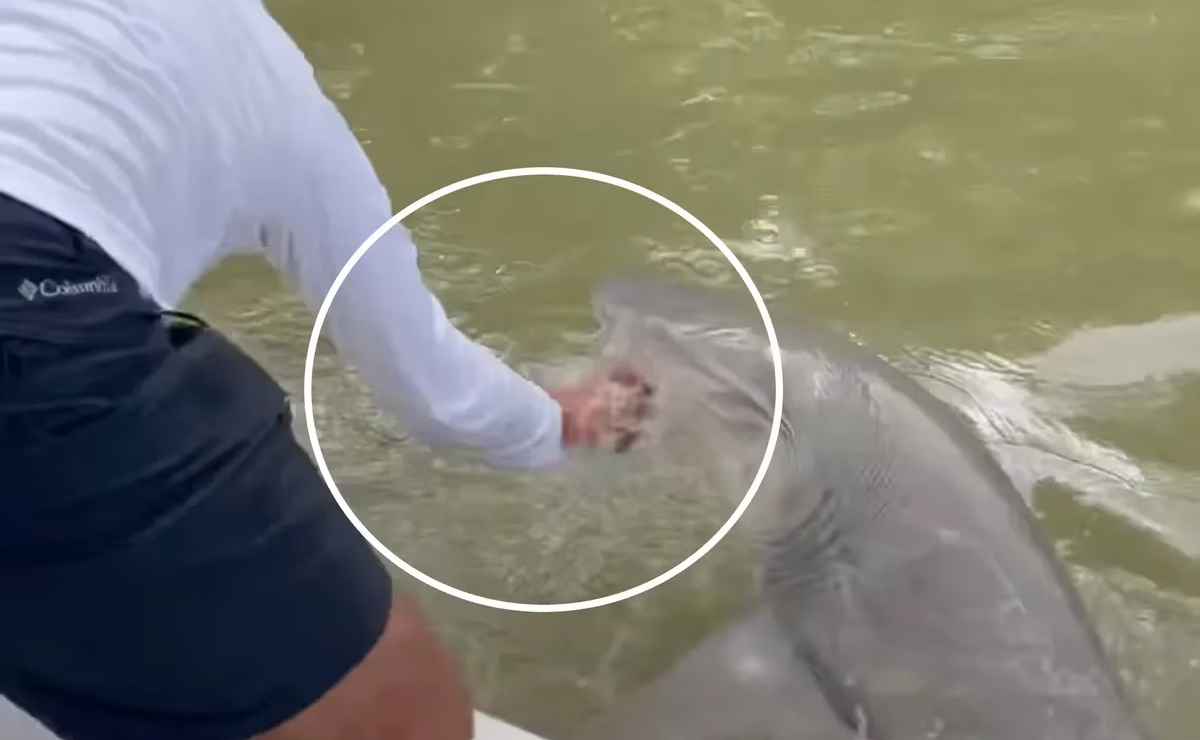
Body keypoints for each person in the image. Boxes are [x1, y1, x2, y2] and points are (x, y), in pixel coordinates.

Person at [0, 2, 652, 740]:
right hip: (31, 305)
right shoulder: (244, 61)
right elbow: (436, 393)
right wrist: (557, 421)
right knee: (398, 713)